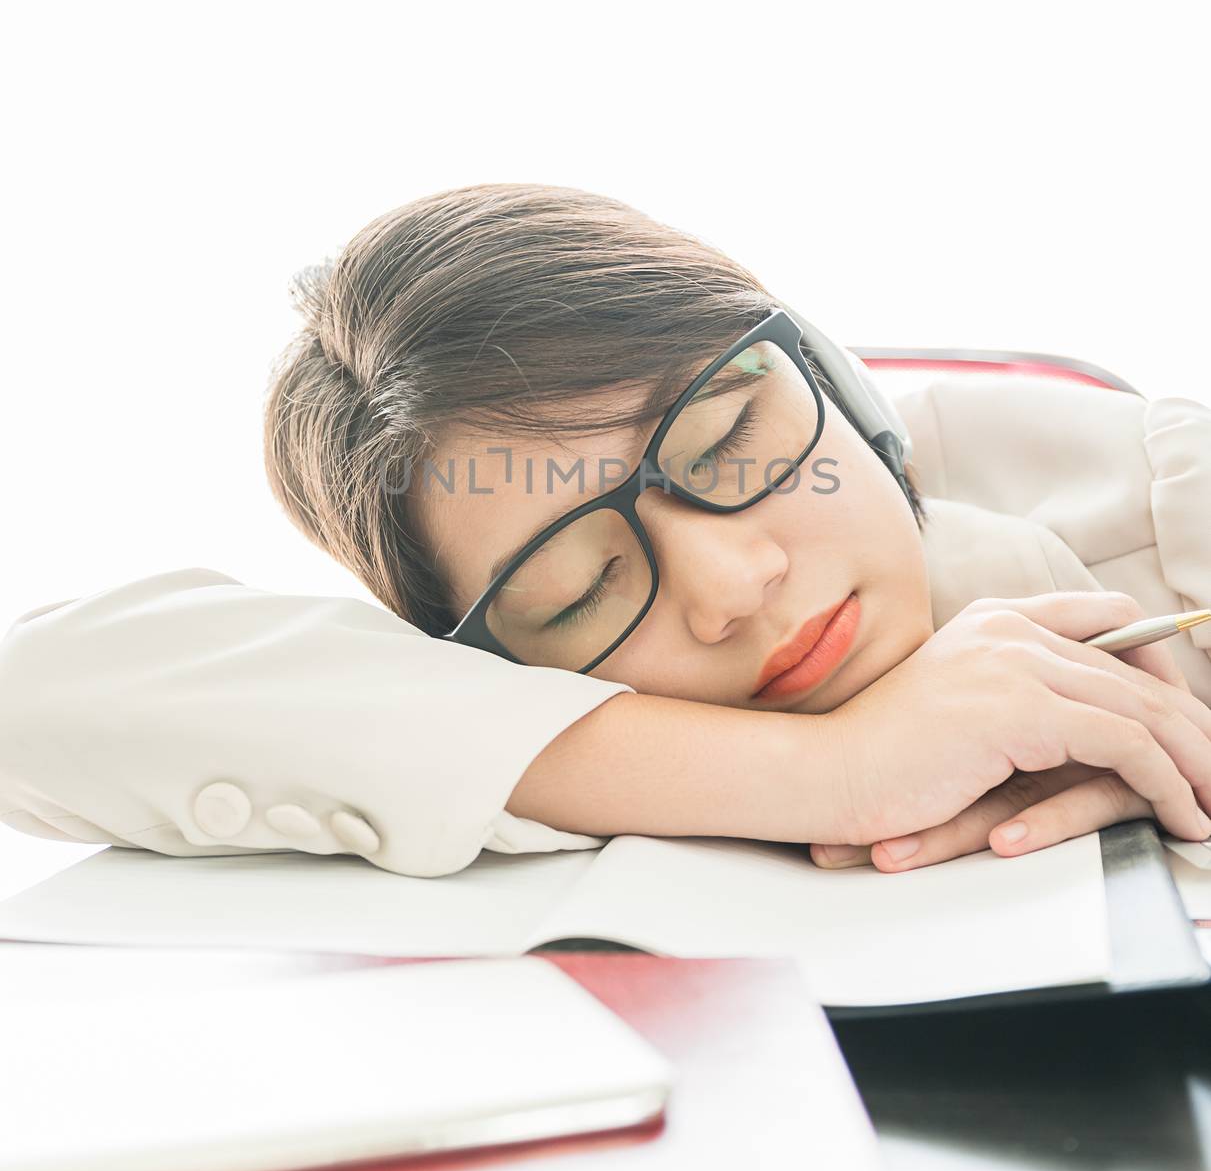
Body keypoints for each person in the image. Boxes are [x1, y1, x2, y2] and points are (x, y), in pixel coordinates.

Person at [3, 183, 1211, 880]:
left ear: (838, 382)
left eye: (729, 442)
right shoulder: (491, 707)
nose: (732, 585)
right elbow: (31, 695)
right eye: (578, 592)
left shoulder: (1160, 494)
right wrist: (831, 776)